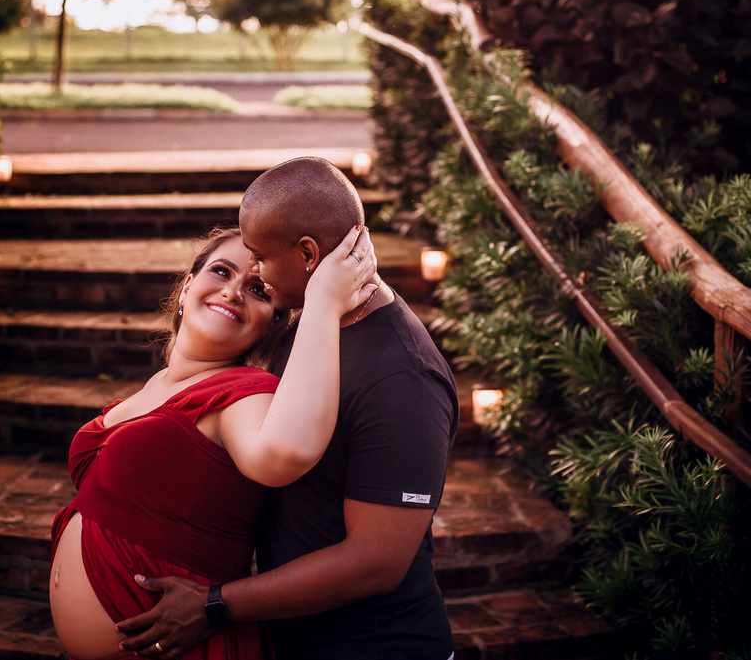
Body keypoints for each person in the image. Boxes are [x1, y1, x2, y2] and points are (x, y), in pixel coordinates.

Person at [118, 157, 460, 660]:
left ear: (307, 253)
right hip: (289, 640)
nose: (254, 270)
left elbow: (376, 561)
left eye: (259, 256)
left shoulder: (405, 377)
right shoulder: (309, 321)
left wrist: (216, 605)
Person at [49, 224, 378, 660]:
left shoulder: (244, 391)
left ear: (272, 324)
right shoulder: (155, 386)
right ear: (187, 288)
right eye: (222, 272)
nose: (234, 291)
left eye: (259, 290)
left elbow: (285, 454)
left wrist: (323, 302)